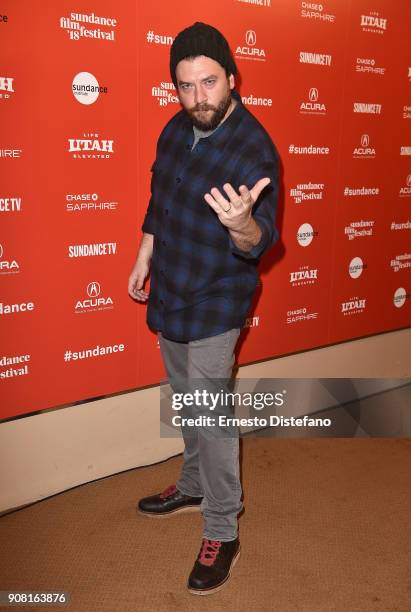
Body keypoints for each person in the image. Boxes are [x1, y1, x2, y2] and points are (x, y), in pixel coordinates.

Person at [128, 21, 279, 595]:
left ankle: (223, 527)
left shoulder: (253, 147)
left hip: (219, 294)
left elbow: (261, 239)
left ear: (231, 79)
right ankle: (191, 484)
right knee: (183, 396)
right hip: (171, 284)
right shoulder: (174, 129)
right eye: (186, 86)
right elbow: (158, 198)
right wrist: (144, 254)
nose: (199, 98)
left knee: (210, 410)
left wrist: (242, 226)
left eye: (209, 83)